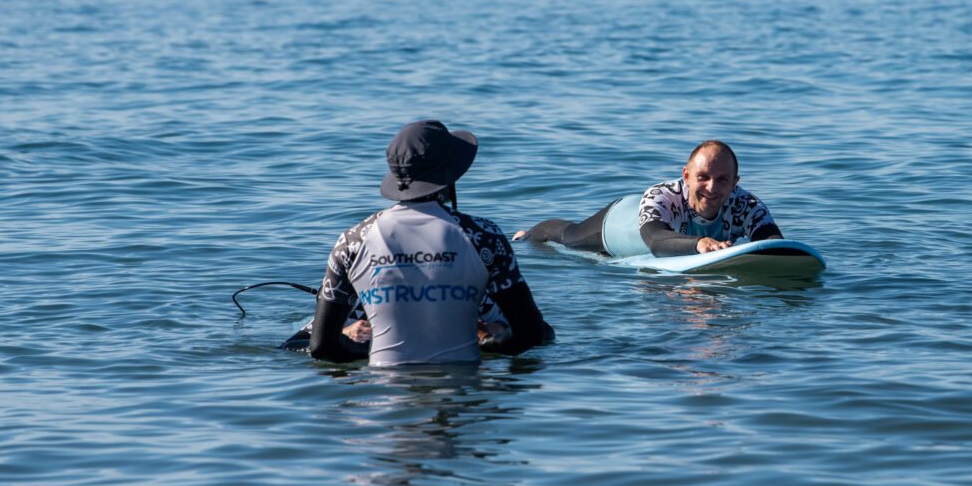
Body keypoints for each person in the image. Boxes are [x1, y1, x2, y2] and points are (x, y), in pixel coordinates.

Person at [309, 120, 552, 365]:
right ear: (451, 174)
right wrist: (484, 341)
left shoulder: (352, 240)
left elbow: (320, 347)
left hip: (382, 394)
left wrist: (372, 347)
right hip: (463, 395)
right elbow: (532, 333)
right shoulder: (484, 237)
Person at [514, 140, 782, 257]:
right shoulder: (663, 196)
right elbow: (655, 241)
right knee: (570, 237)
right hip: (619, 224)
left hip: (672, 234)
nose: (712, 188)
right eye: (703, 177)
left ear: (735, 183)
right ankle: (527, 235)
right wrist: (700, 243)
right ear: (686, 176)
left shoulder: (746, 205)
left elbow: (772, 241)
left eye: (723, 180)